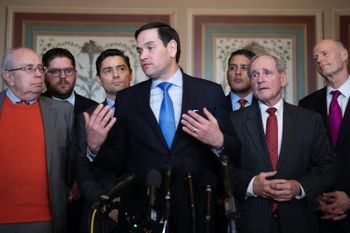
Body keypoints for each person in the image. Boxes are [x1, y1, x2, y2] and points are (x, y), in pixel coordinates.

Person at [83, 22, 240, 233]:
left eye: (150, 47)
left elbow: (236, 150)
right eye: (139, 50)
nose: (143, 56)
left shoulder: (209, 92)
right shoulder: (127, 99)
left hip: (197, 209)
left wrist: (218, 140)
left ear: (172, 48)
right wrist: (95, 147)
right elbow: (120, 160)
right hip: (143, 208)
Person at [230, 54, 338, 233]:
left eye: (267, 72)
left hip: (300, 220)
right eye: (255, 74)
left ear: (283, 78)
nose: (260, 79)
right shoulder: (233, 121)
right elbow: (224, 168)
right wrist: (251, 185)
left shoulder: (310, 120)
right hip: (251, 221)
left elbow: (327, 166)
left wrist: (299, 187)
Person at [0, 47, 76, 233]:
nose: (38, 75)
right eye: (28, 69)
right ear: (8, 77)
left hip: (47, 218)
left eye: (40, 68)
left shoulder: (62, 111)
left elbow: (73, 160)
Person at [76, 48, 133, 233]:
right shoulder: (88, 116)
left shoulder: (150, 112)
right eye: (108, 71)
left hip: (142, 206)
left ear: (131, 74)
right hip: (101, 210)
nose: (116, 75)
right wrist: (104, 202)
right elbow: (82, 167)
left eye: (121, 68)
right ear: (98, 79)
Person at [41, 47, 97, 233]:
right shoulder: (34, 108)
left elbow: (101, 157)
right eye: (55, 71)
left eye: (68, 70)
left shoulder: (93, 109)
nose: (63, 76)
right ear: (44, 74)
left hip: (84, 203)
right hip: (42, 200)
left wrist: (82, 183)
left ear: (75, 73)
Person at [299, 39, 350, 233]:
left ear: (344, 55)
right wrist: (315, 194)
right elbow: (304, 157)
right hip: (321, 213)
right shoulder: (307, 104)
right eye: (315, 57)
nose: (319, 59)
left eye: (325, 53)